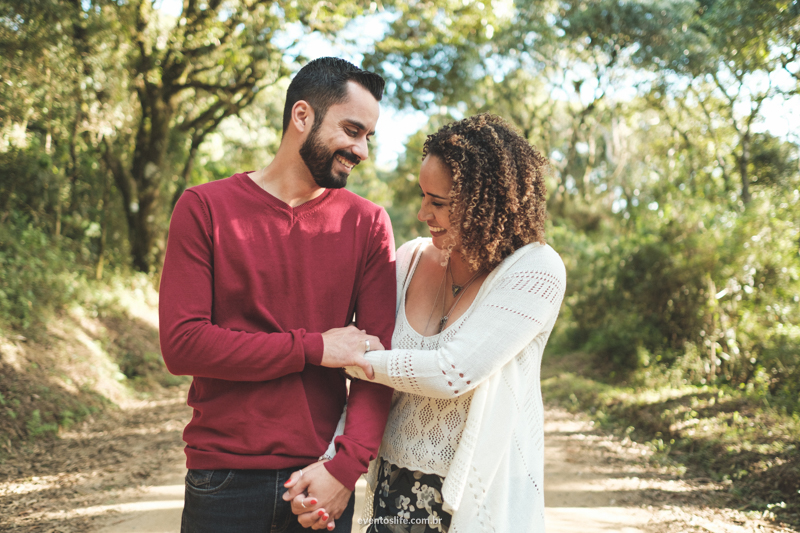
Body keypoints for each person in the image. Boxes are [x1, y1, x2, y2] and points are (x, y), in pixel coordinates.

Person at [159, 57, 396, 533]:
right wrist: (316, 347)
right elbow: (183, 344)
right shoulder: (204, 207)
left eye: (368, 136)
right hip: (221, 480)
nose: (361, 150)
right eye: (352, 130)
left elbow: (377, 366)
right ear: (302, 116)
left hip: (320, 481)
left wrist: (345, 471)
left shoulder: (368, 223)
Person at [304, 113, 566, 531]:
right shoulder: (409, 259)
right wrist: (333, 463)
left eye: (439, 202)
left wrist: (350, 356)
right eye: (423, 195)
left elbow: (450, 371)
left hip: (475, 497)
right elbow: (372, 385)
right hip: (392, 485)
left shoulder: (535, 270)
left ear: (487, 201)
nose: (423, 212)